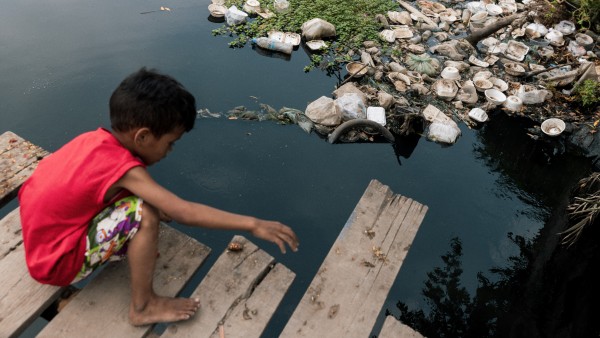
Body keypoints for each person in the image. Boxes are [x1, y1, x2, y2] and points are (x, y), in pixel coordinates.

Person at [18, 67, 299, 326]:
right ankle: (143, 307)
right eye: (170, 143)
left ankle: (130, 246)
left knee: (146, 204)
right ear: (142, 137)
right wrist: (252, 224)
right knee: (144, 214)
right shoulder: (123, 169)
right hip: (56, 264)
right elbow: (183, 211)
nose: (170, 151)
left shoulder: (94, 141)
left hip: (43, 242)